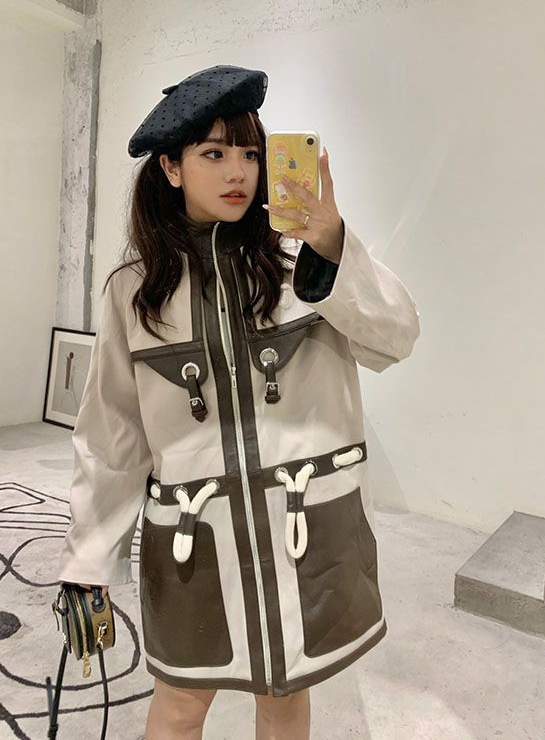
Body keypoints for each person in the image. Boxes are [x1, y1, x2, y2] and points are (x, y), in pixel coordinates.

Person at [57, 65, 421, 739]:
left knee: (283, 700)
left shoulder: (300, 265)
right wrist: (88, 559)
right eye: (214, 153)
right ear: (171, 167)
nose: (238, 172)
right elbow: (112, 435)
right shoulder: (135, 292)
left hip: (301, 534)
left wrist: (333, 246)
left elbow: (396, 339)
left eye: (251, 153)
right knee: (179, 707)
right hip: (196, 546)